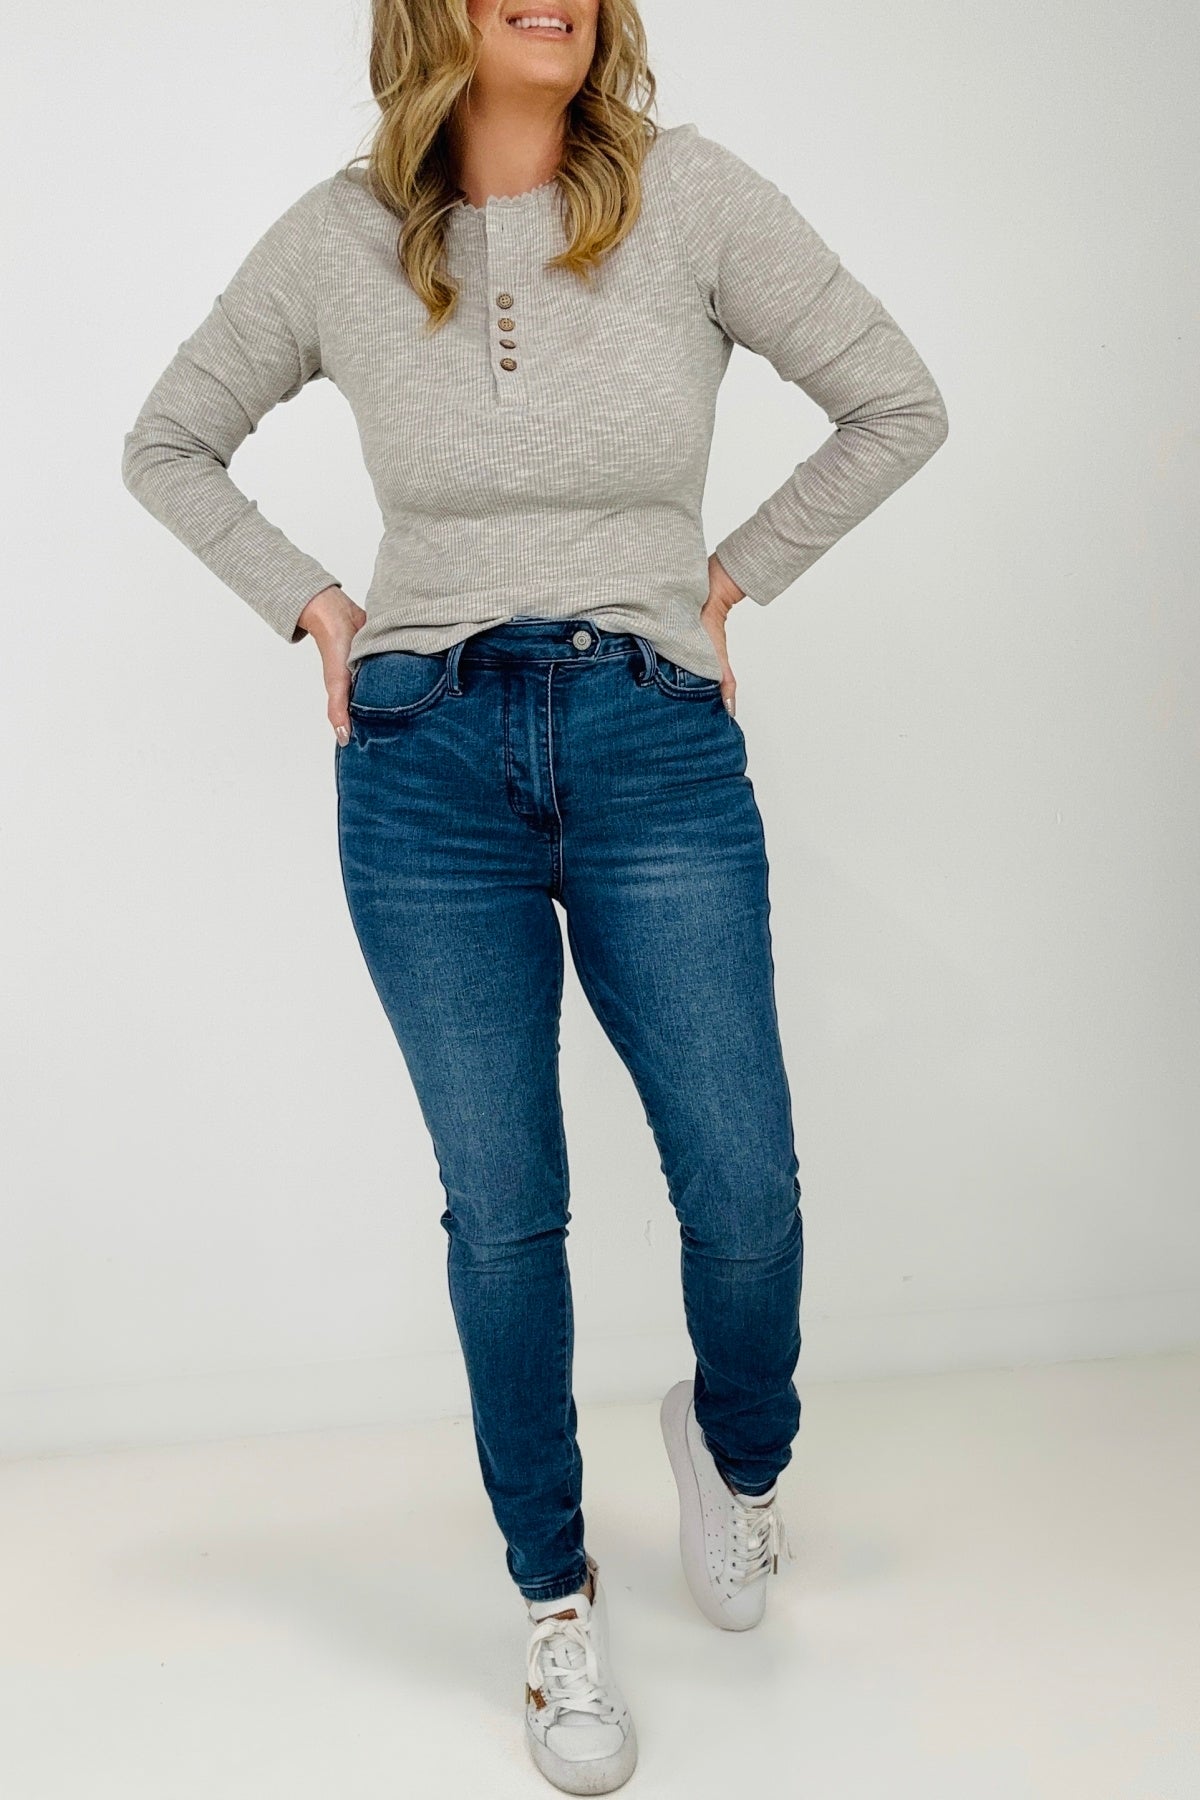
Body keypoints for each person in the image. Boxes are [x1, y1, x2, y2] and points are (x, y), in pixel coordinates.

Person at [120, 1, 949, 1791]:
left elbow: (899, 401)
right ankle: (553, 1600)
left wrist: (728, 579)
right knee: (504, 1212)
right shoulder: (340, 236)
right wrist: (314, 606)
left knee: (743, 1184)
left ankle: (735, 1455)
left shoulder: (692, 198)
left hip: (653, 742)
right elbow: (168, 439)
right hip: (423, 762)